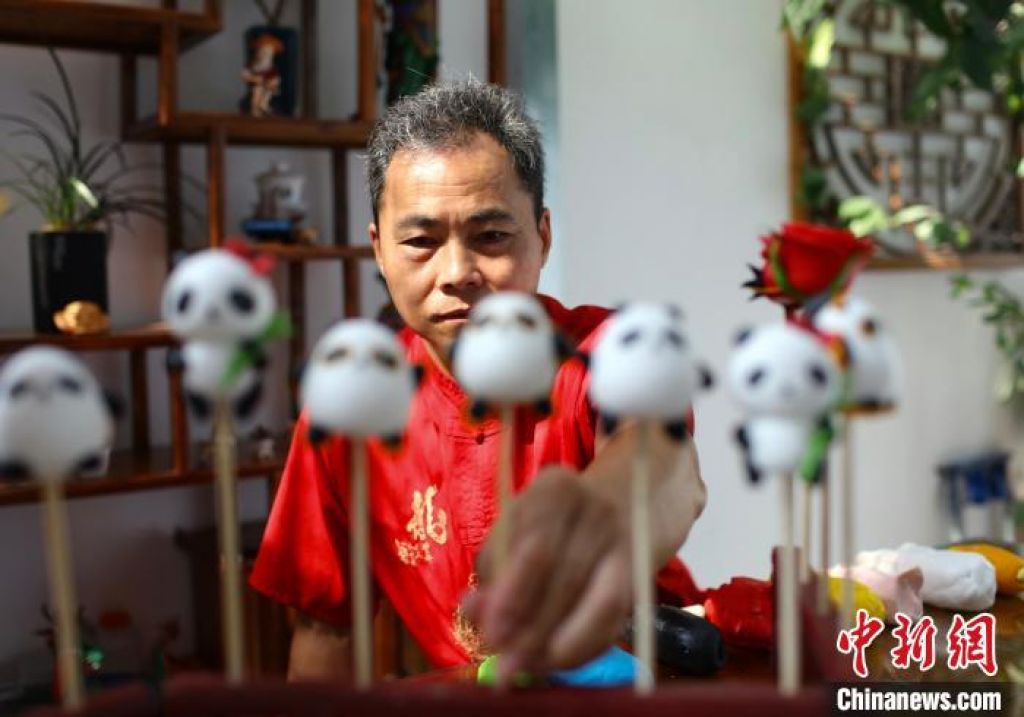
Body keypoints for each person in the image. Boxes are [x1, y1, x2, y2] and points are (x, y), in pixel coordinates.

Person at [250, 79, 707, 685]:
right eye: (421, 241)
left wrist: (606, 507)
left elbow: (666, 465)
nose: (457, 272)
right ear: (379, 250)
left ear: (542, 237)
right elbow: (326, 630)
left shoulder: (608, 350)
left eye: (491, 237)